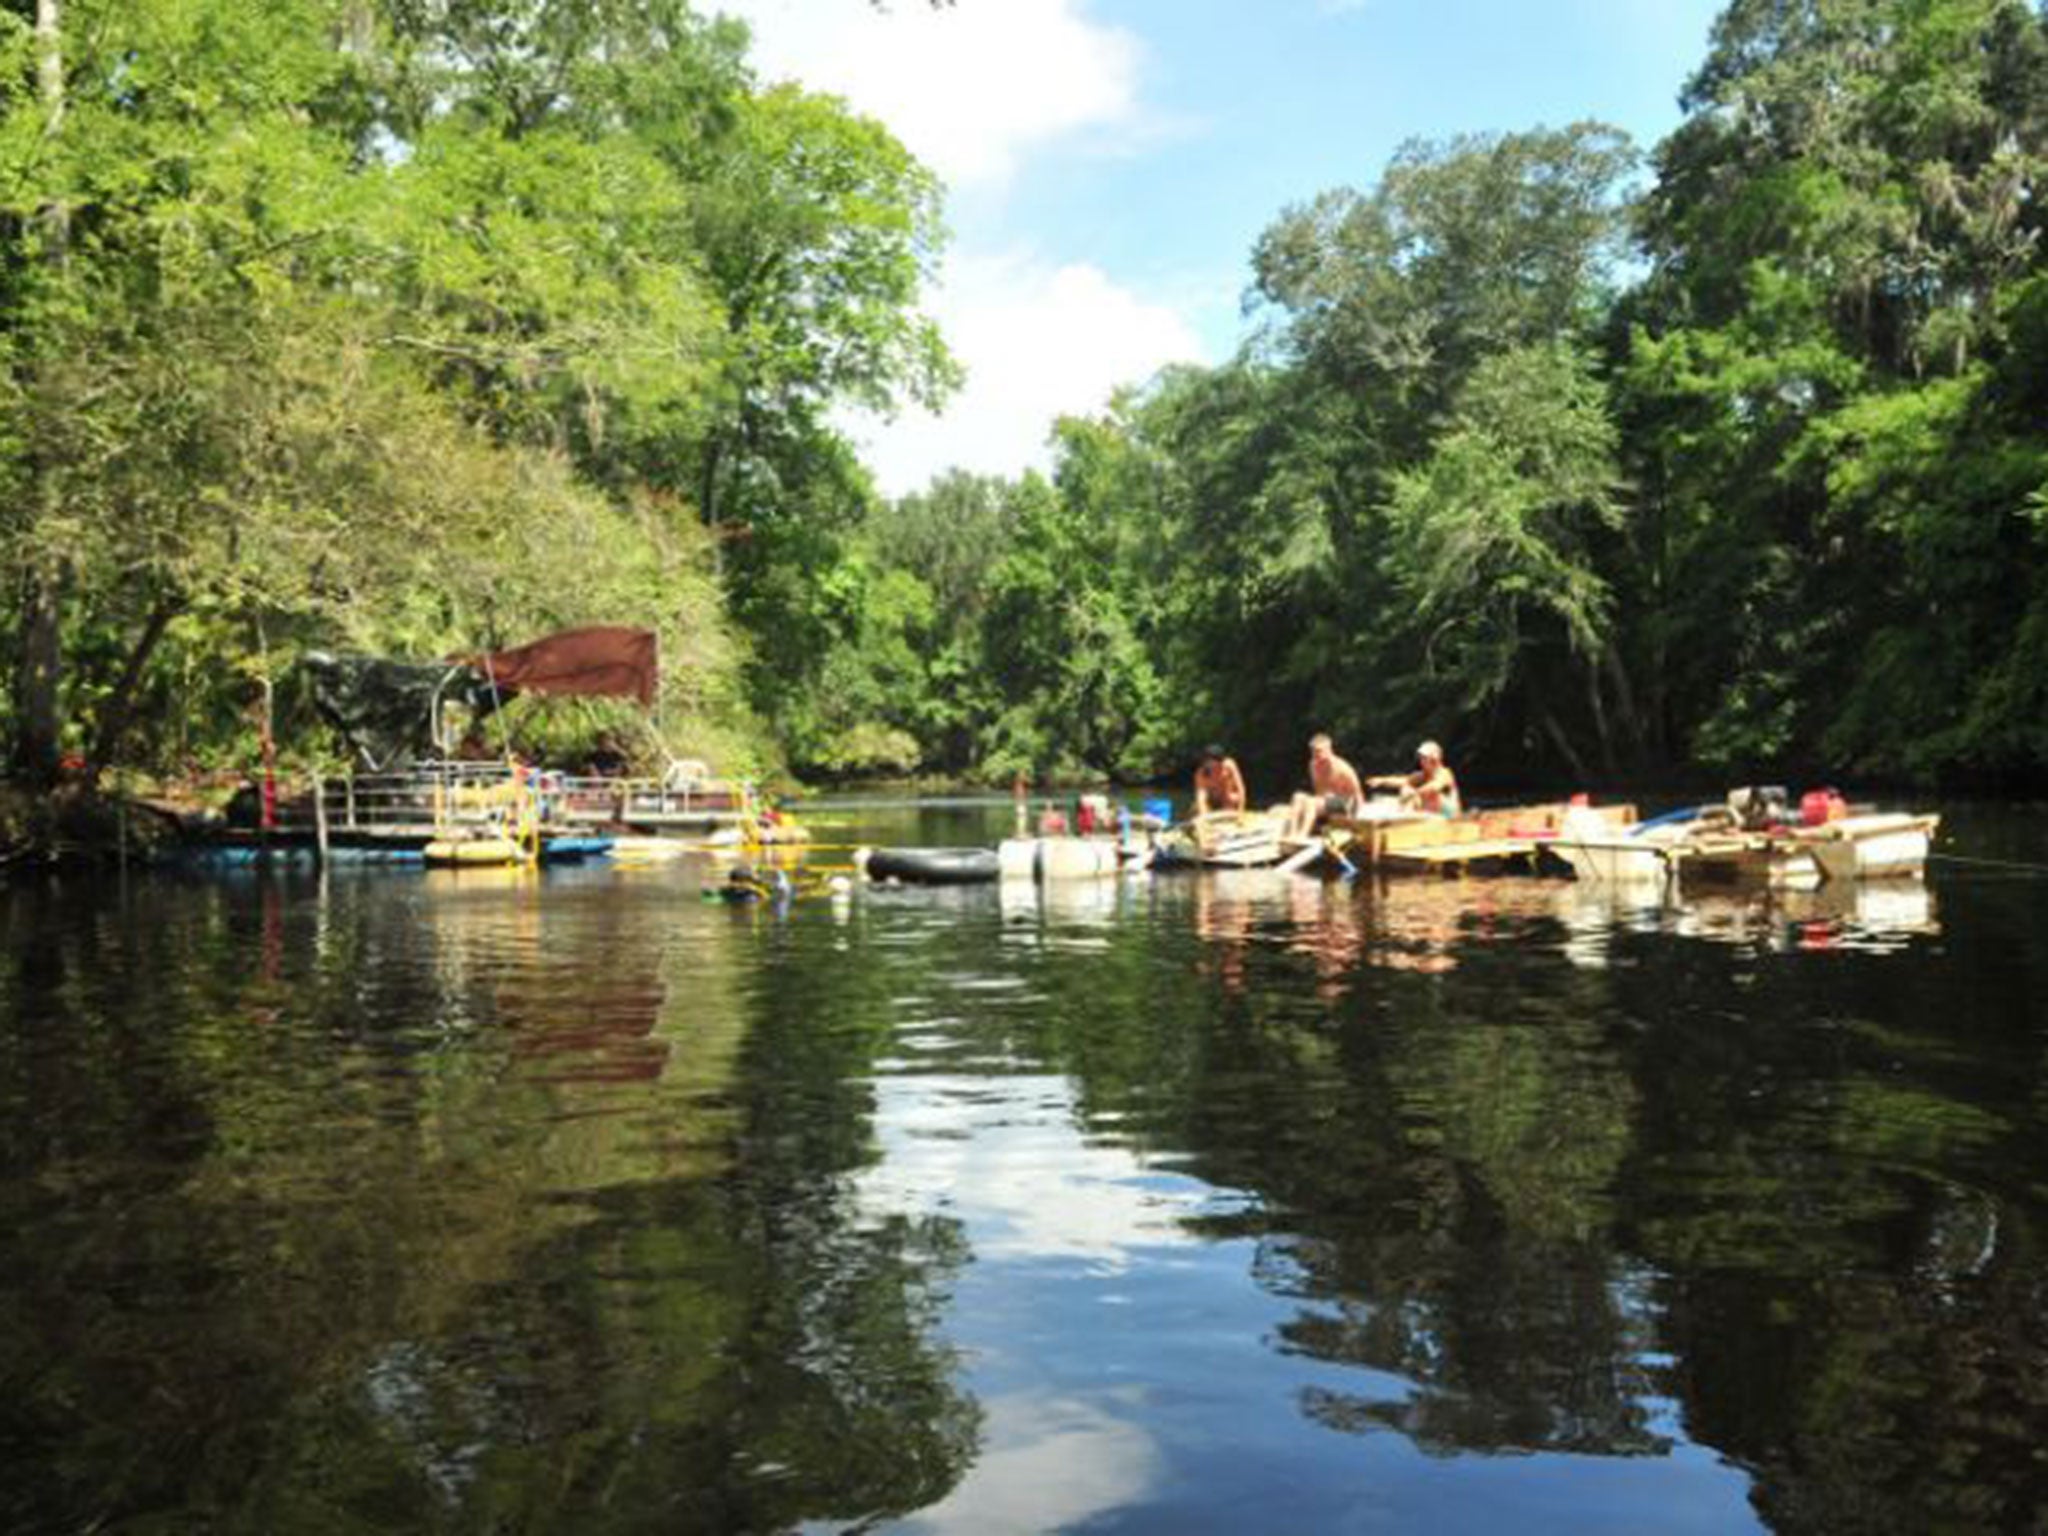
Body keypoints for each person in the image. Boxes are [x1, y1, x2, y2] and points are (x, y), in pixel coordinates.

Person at [1283, 733, 1364, 840]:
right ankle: (1292, 834)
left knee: (1312, 802)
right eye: (1313, 751)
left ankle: (1302, 835)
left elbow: (1358, 795)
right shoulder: (1313, 765)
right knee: (1297, 796)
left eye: (1319, 751)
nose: (1316, 754)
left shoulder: (1343, 769)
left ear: (1329, 750)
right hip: (1325, 801)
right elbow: (1318, 789)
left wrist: (1354, 819)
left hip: (1345, 803)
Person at [1370, 739, 1461, 816]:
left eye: (1424, 758)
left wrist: (1414, 794)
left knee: (1429, 795)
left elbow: (1434, 787)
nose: (1421, 761)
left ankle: (1410, 817)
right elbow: (1403, 780)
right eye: (1421, 758)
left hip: (1450, 816)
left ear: (1434, 759)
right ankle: (1405, 820)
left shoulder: (1444, 773)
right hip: (1433, 813)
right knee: (1406, 789)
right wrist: (1382, 780)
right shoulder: (1422, 775)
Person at [1192, 745, 1248, 816]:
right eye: (1210, 765)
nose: (1215, 769)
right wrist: (1204, 815)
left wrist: (1241, 811)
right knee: (1196, 808)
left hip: (1227, 797)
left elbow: (1241, 789)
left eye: (1217, 767)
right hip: (1212, 799)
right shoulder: (1201, 774)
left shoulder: (1229, 765)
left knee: (1233, 798)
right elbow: (1201, 798)